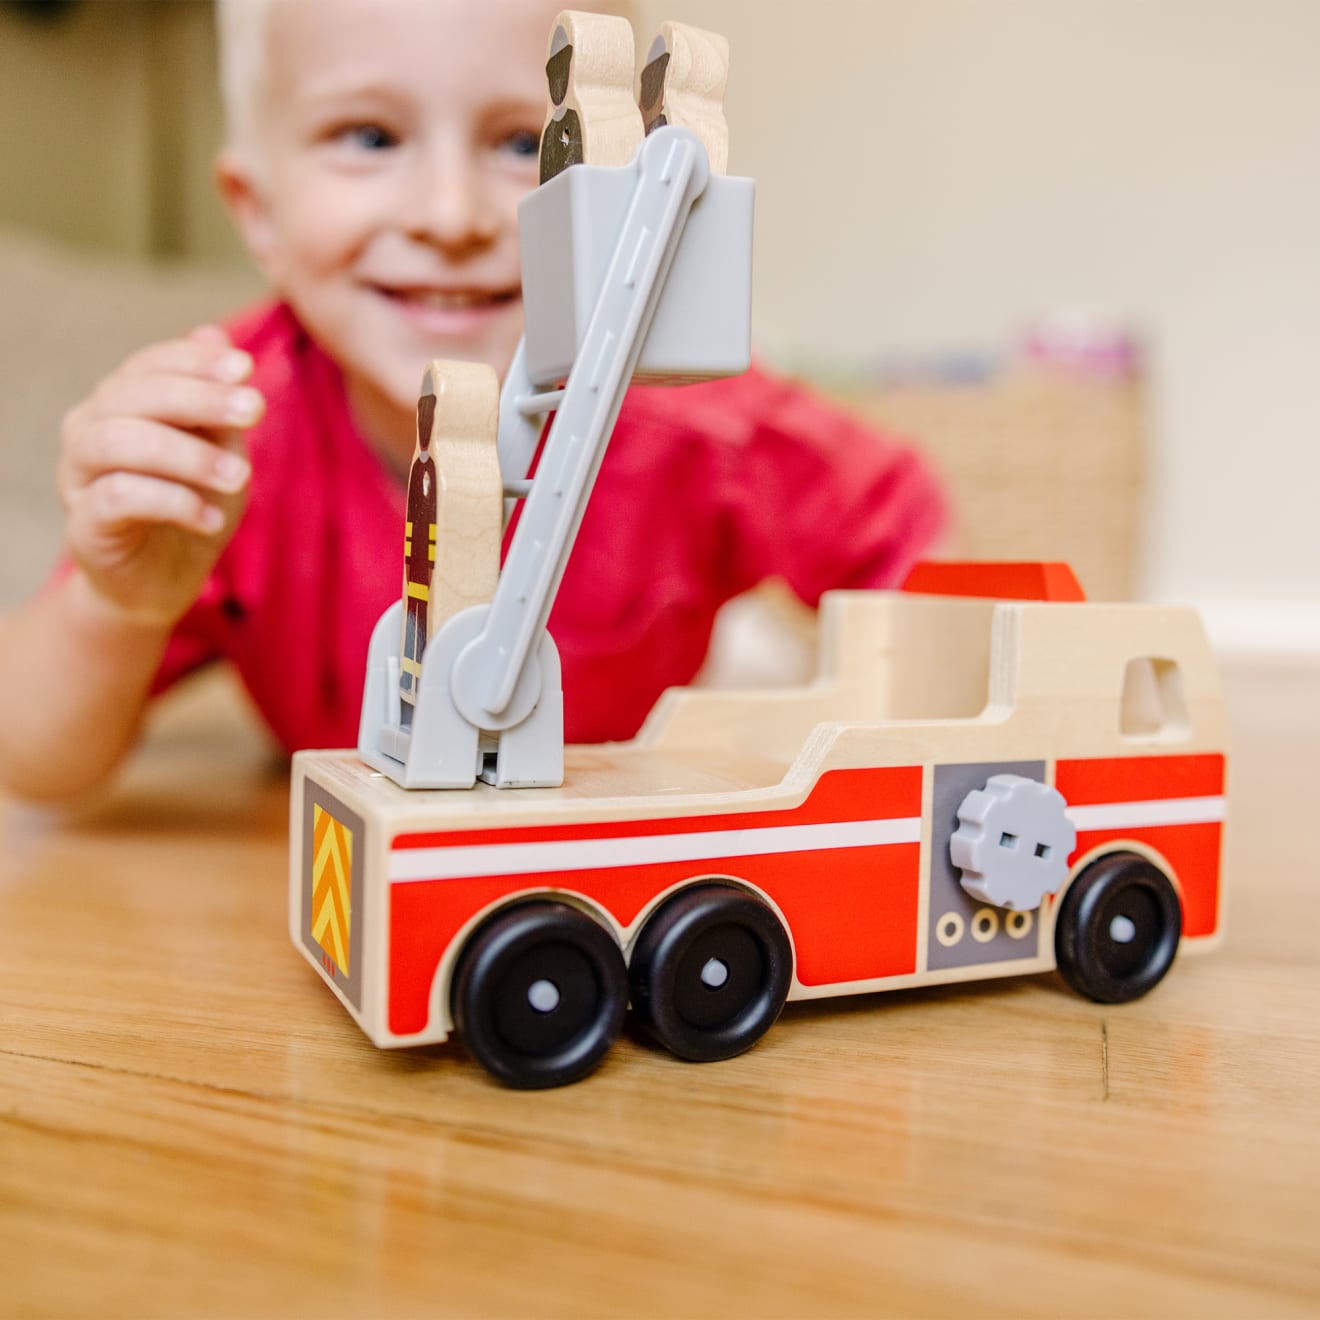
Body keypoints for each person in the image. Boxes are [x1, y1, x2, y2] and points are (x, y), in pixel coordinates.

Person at [0, 0, 946, 802]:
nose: (450, 217)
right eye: (369, 137)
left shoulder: (704, 418)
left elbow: (912, 543)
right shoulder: (225, 434)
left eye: (525, 144)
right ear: (259, 212)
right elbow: (36, 764)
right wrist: (119, 605)